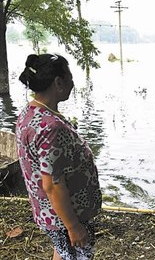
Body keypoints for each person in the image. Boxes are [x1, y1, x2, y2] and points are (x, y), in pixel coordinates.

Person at [16, 54, 102, 260]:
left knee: (64, 254)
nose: (73, 82)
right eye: (70, 76)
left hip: (52, 213)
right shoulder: (50, 128)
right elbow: (52, 185)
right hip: (65, 215)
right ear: (58, 82)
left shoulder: (30, 112)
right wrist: (73, 226)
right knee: (76, 256)